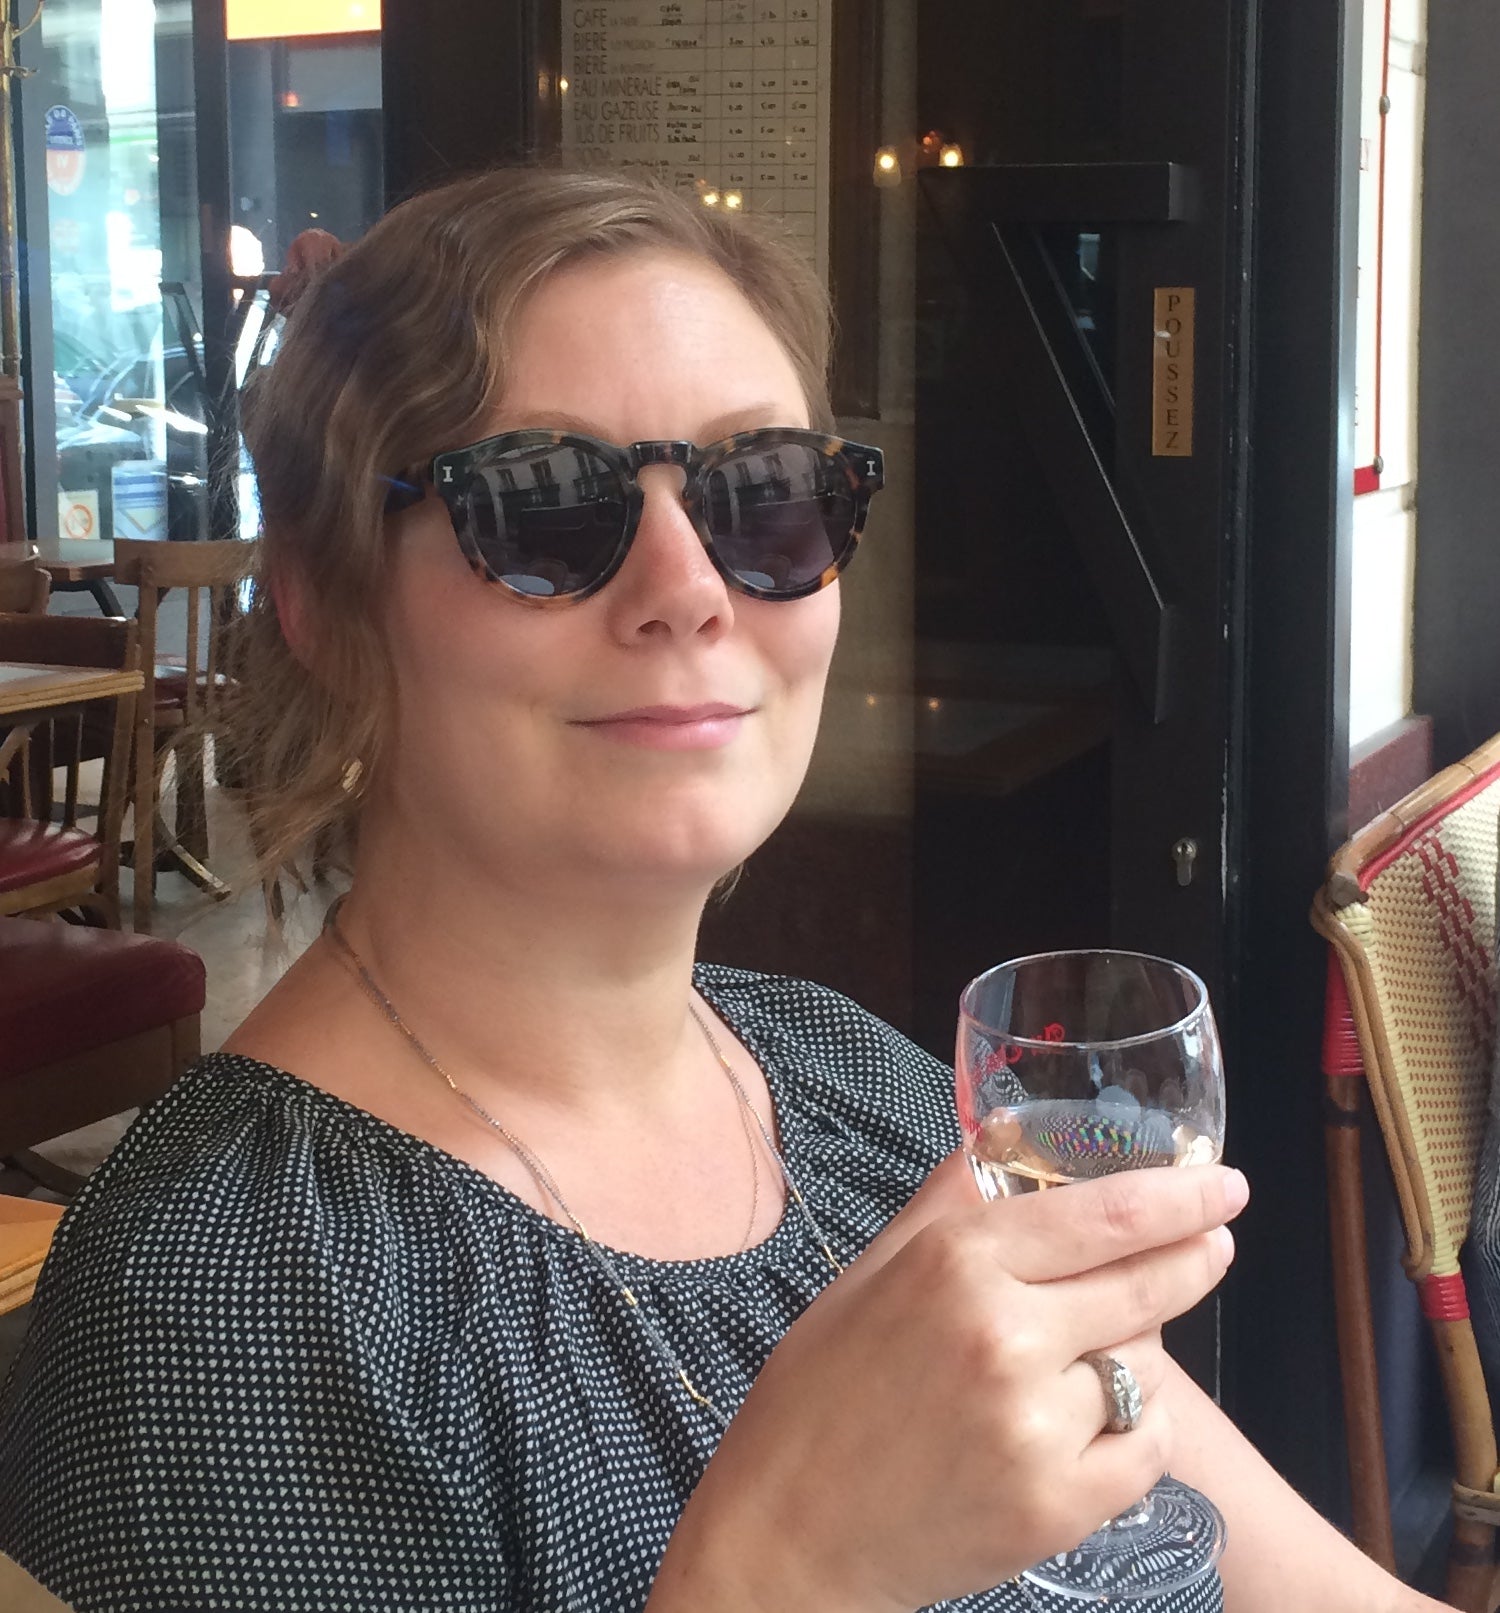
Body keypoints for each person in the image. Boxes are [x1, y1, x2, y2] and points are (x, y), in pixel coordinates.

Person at [0, 167, 1448, 1613]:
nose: (689, 586)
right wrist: (785, 1569)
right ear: (322, 605)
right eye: (542, 506)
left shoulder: (847, 1075)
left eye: (765, 495)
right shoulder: (223, 1310)